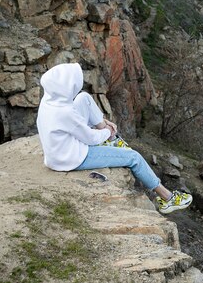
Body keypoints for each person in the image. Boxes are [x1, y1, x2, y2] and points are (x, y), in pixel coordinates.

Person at [36, 63, 192, 214]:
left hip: (58, 152)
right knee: (133, 157)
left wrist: (104, 125)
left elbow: (75, 122)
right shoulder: (65, 113)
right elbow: (90, 138)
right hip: (71, 158)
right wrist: (107, 131)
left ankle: (112, 139)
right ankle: (167, 198)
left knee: (84, 98)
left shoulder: (49, 100)